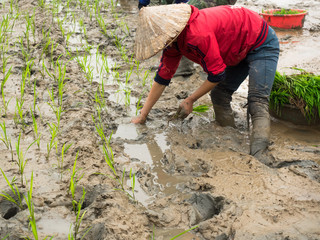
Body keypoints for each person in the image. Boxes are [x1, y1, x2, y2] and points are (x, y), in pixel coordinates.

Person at [132, 4, 280, 165]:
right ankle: (229, 135)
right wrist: (143, 115)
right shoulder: (173, 41)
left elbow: (217, 74)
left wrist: (190, 100)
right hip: (235, 48)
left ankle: (259, 156)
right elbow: (163, 75)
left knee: (257, 101)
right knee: (219, 94)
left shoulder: (196, 35)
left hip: (260, 42)